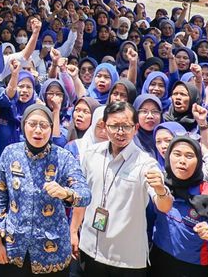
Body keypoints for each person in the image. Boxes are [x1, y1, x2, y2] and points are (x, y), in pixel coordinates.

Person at [73, 102, 174, 276]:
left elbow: (164, 206)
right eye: (114, 126)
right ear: (104, 126)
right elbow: (82, 196)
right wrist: (73, 230)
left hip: (126, 259)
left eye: (126, 126)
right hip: (89, 248)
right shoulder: (91, 154)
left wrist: (160, 190)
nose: (120, 132)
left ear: (135, 128)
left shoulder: (146, 163)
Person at [0, 104, 91, 276]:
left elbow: (85, 194)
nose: (38, 130)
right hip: (15, 247)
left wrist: (66, 193)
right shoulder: (10, 153)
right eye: (32, 124)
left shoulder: (63, 157)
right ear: (24, 126)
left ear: (51, 129)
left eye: (44, 125)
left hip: (53, 251)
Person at [148, 136, 208, 277]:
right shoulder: (159, 184)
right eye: (177, 154)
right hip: (157, 257)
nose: (182, 161)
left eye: (189, 156)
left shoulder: (207, 194)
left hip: (191, 267)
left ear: (198, 161)